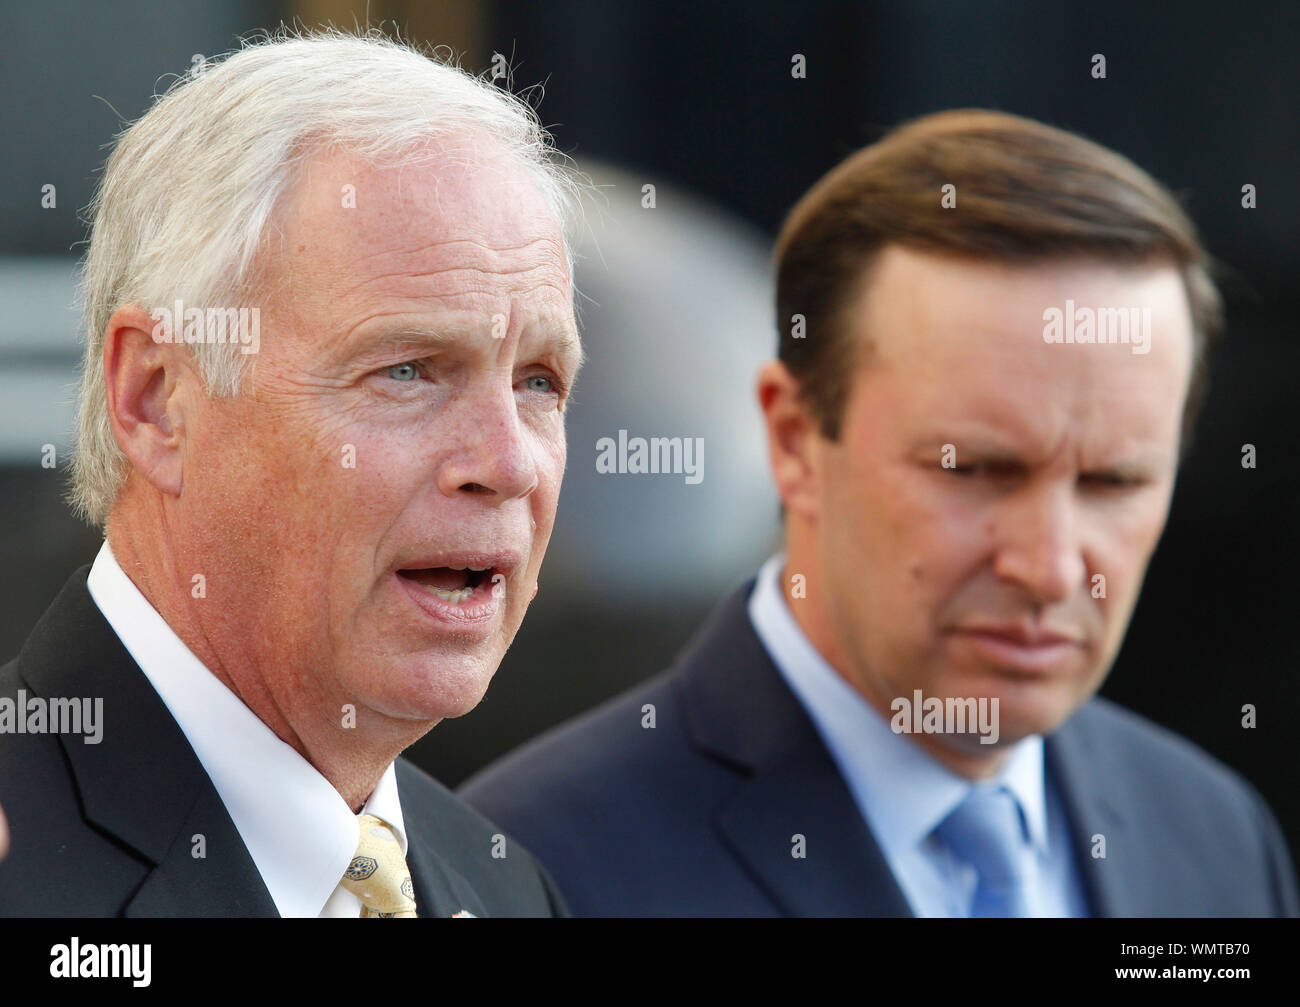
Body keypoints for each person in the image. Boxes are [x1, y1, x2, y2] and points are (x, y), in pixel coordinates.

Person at [460, 109, 1299, 917]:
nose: (1047, 567)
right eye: (972, 469)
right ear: (793, 440)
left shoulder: (1216, 836)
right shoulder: (529, 867)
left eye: (1116, 481)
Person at [0, 28, 584, 917]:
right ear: (158, 399)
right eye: (408, 369)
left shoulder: (504, 884)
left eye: (539, 381)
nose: (505, 462)